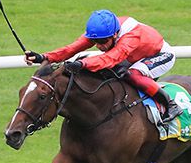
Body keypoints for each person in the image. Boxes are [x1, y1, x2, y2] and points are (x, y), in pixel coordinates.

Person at [24, 9, 181, 123]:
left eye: (103, 42)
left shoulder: (130, 38)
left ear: (114, 34)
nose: (99, 46)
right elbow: (72, 48)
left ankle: (170, 104)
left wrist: (82, 64)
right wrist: (44, 57)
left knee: (132, 74)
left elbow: (111, 58)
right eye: (96, 42)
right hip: (135, 54)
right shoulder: (101, 31)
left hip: (160, 55)